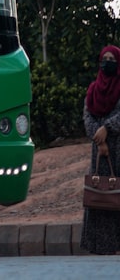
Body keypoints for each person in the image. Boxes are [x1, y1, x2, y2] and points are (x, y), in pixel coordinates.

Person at [81, 44, 120, 254]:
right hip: (100, 151)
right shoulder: (93, 89)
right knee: (100, 194)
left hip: (118, 147)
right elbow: (88, 114)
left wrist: (107, 128)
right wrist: (99, 139)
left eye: (112, 60)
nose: (108, 63)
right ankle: (100, 246)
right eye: (105, 59)